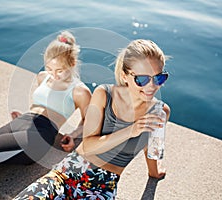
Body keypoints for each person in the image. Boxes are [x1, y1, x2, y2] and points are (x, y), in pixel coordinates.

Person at [0, 31, 92, 200]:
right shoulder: (42, 77)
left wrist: (73, 135)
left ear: (71, 64)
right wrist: (23, 117)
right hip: (22, 122)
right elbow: (40, 105)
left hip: (41, 135)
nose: (54, 75)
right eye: (50, 68)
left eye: (60, 70)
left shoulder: (80, 90)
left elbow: (89, 120)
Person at [14, 39, 170, 199]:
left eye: (158, 78)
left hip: (103, 187)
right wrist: (131, 130)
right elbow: (88, 145)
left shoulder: (160, 111)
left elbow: (151, 146)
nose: (151, 86)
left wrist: (154, 172)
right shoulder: (104, 94)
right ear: (125, 76)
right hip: (70, 172)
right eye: (142, 79)